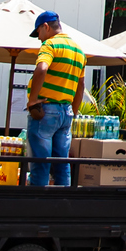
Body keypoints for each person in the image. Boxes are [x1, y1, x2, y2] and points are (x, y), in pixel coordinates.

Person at [25, 10, 86, 186]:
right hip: (66, 111)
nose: (39, 38)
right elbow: (80, 85)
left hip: (46, 110)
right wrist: (72, 112)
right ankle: (61, 206)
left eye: (38, 33)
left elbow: (42, 68)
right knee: (62, 163)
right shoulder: (78, 49)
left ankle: (37, 207)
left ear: (45, 27)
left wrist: (33, 101)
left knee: (40, 163)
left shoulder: (50, 45)